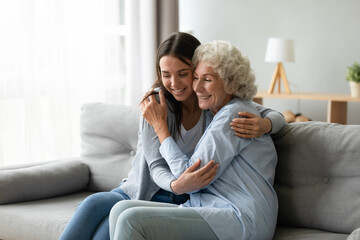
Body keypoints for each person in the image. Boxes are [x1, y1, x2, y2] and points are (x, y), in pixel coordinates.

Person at [59, 33, 284, 240]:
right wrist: (176, 183)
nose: (176, 84)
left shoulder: (214, 106)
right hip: (149, 189)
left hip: (195, 197)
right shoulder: (158, 105)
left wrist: (266, 124)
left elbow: (268, 113)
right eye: (166, 75)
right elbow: (156, 164)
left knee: (114, 224)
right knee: (97, 205)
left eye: (185, 74)